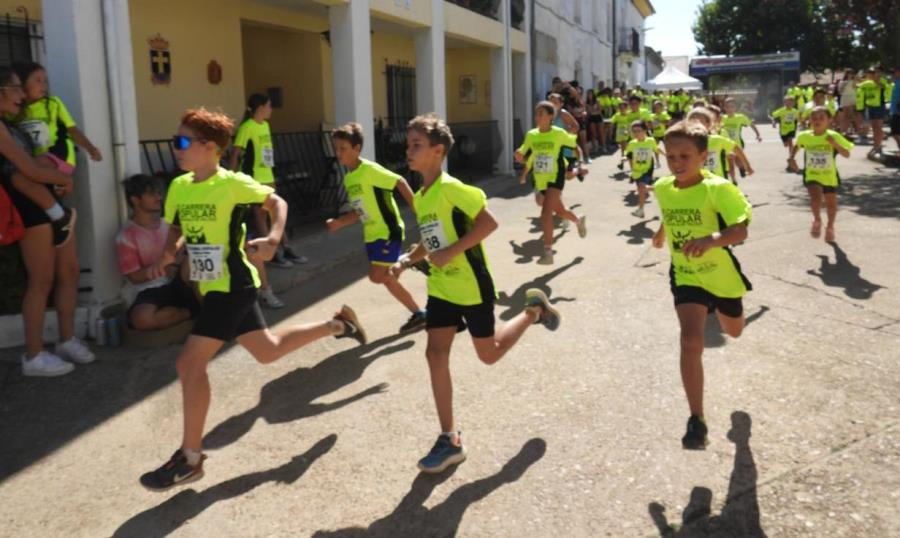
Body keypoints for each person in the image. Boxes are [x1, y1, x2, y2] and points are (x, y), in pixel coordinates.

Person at [139, 108, 367, 491]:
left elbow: (278, 204)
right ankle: (338, 324)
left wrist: (275, 238)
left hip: (234, 285)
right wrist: (168, 252)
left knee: (189, 363)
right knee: (268, 350)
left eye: (182, 142)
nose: (176, 149)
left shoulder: (233, 184)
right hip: (208, 288)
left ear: (210, 147)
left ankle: (190, 458)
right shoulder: (179, 187)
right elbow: (177, 229)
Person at [390, 113, 561, 474]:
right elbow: (433, 237)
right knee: (435, 354)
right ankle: (449, 439)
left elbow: (488, 223)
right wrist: (408, 259)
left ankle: (533, 311)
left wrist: (451, 252)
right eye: (409, 144)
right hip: (441, 289)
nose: (409, 150)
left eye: (416, 145)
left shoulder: (453, 188)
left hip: (471, 286)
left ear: (438, 151)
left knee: (489, 354)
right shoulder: (422, 195)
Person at [651, 120, 753, 450]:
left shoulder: (719, 188)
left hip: (721, 275)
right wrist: (661, 233)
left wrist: (711, 240)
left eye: (685, 156)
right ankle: (697, 420)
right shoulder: (664, 187)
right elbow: (670, 212)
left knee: (734, 330)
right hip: (686, 274)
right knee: (690, 341)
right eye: (671, 157)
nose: (677, 163)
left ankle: (727, 313)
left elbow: (740, 231)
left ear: (703, 156)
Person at [0, 67, 93, 376]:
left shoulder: (19, 123)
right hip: (28, 208)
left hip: (51, 202)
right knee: (41, 281)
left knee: (69, 271)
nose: (22, 95)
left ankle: (67, 340)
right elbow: (27, 169)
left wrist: (57, 179)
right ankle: (34, 356)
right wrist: (60, 178)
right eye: (15, 88)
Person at [325, 122, 426, 333]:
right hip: (372, 234)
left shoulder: (369, 170)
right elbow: (359, 211)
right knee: (386, 278)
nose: (338, 153)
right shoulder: (350, 177)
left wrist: (419, 211)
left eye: (343, 148)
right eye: (336, 148)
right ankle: (419, 313)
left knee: (377, 276)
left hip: (387, 231)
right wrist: (339, 223)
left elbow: (399, 181)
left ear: (357, 148)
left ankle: (407, 261)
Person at [116, 174, 199, 331]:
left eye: (159, 193)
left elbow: (187, 251)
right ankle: (194, 312)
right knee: (142, 319)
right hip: (152, 289)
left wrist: (176, 263)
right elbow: (134, 277)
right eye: (152, 193)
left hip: (180, 282)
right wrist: (160, 269)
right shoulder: (126, 235)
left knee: (195, 263)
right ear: (135, 200)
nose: (159, 197)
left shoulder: (169, 226)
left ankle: (206, 316)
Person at [230, 94, 288, 309]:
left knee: (276, 211)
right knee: (260, 215)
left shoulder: (265, 125)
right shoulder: (247, 127)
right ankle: (272, 250)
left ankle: (283, 246)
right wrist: (233, 175)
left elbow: (266, 153)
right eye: (270, 105)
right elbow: (237, 153)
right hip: (254, 177)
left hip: (267, 174)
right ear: (261, 107)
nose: (271, 109)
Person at [515, 101, 588, 265]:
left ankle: (548, 253)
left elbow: (574, 137)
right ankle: (578, 220)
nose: (537, 116)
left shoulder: (558, 133)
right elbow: (524, 151)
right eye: (536, 113)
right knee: (560, 211)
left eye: (541, 113)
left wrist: (571, 122)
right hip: (541, 178)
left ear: (550, 116)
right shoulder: (532, 135)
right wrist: (519, 155)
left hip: (556, 176)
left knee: (545, 214)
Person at [789, 107, 854, 243]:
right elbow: (797, 145)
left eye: (821, 117)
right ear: (810, 120)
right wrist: (791, 158)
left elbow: (847, 154)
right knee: (816, 197)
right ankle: (817, 220)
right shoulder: (804, 136)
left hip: (829, 176)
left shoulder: (833, 135)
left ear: (829, 120)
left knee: (831, 205)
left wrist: (834, 144)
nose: (817, 120)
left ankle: (830, 227)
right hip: (812, 174)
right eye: (814, 117)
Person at [688, 107, 753, 185]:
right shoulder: (685, 143)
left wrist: (747, 166)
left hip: (716, 182)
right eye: (692, 122)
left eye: (700, 121)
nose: (696, 124)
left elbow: (736, 148)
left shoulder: (717, 140)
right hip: (695, 182)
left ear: (708, 124)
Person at [624, 120, 662, 218]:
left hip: (647, 169)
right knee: (642, 190)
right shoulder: (632, 143)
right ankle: (656, 189)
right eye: (634, 131)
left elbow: (656, 149)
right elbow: (628, 154)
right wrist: (624, 158)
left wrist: (667, 155)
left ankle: (640, 209)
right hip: (637, 171)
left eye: (638, 131)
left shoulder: (650, 140)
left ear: (645, 130)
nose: (636, 133)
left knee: (641, 187)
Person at [720, 98, 760, 178]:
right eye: (727, 107)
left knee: (738, 161)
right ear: (724, 108)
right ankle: (732, 178)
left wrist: (757, 134)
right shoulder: (722, 118)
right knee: (730, 161)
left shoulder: (740, 117)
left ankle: (742, 169)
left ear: (735, 108)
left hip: (736, 143)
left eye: (732, 107)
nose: (729, 109)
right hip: (725, 144)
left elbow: (751, 124)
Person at [858, 67, 886, 158]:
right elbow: (857, 86)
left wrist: (875, 79)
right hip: (870, 106)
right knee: (874, 128)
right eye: (869, 73)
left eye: (873, 73)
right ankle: (875, 146)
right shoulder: (867, 83)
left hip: (879, 106)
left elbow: (882, 87)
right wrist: (857, 78)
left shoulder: (882, 81)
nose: (871, 74)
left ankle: (878, 146)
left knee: (878, 127)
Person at [772, 96, 800, 165]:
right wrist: (774, 122)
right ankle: (787, 144)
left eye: (790, 103)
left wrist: (801, 123)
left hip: (791, 129)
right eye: (786, 103)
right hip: (783, 131)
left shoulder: (795, 111)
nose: (788, 104)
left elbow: (799, 119)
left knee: (790, 142)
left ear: (793, 103)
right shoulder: (782, 110)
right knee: (785, 144)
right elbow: (774, 116)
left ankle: (791, 156)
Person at [585, 89, 605, 155]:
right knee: (593, 133)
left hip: (598, 117)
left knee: (601, 133)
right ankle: (595, 147)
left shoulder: (597, 101)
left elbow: (600, 110)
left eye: (591, 94)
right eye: (588, 94)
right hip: (591, 118)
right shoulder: (586, 102)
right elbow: (587, 111)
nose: (590, 95)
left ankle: (603, 146)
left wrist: (592, 111)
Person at [891, 66, 900, 151]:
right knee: (895, 133)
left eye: (895, 72)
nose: (893, 74)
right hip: (894, 111)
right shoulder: (896, 82)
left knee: (896, 133)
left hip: (898, 111)